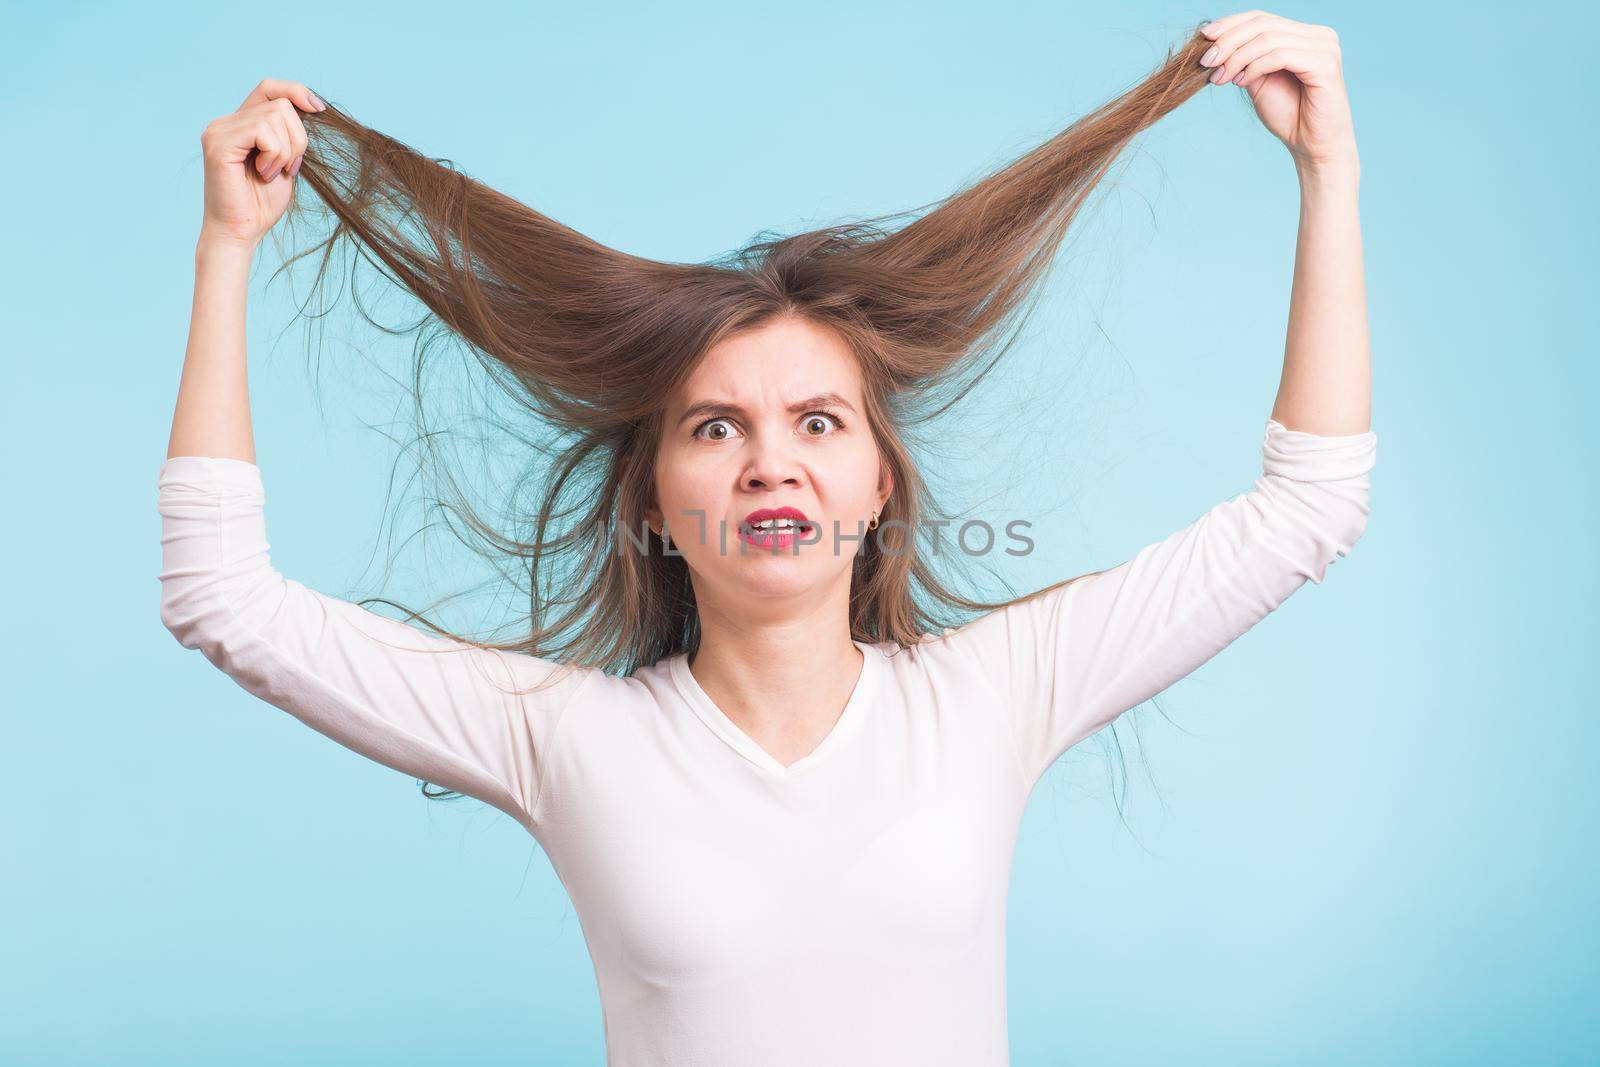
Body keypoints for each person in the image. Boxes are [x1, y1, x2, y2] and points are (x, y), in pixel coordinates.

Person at [159, 12, 1374, 1064]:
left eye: (817, 419)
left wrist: (1329, 170)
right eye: (715, 426)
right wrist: (228, 250)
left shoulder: (992, 695)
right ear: (649, 501)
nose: (771, 460)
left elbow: (1304, 509)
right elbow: (223, 598)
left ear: (879, 484)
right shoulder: (567, 738)